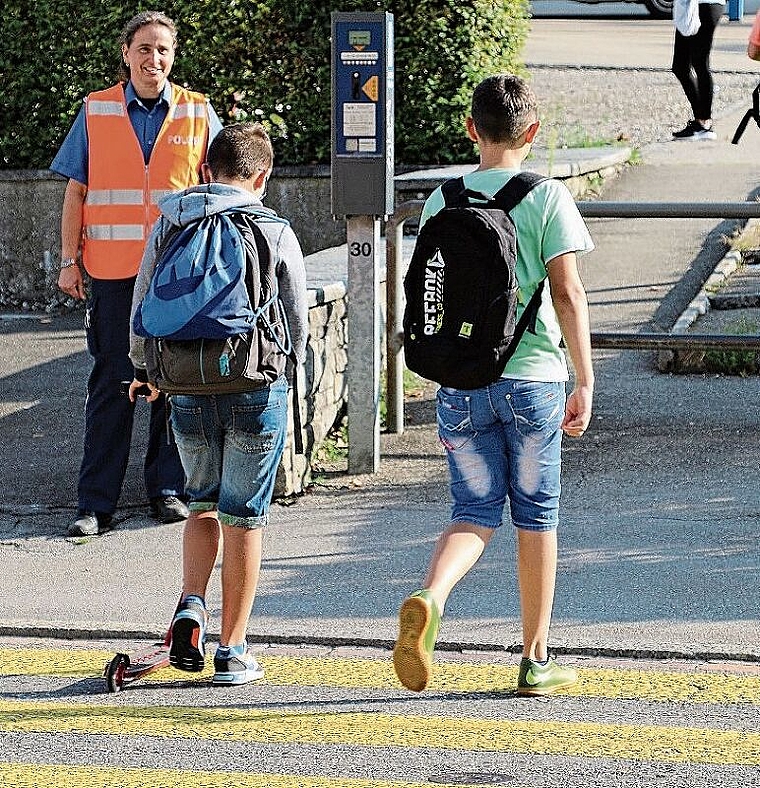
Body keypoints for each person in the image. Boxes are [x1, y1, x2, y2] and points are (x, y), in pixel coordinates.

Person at [392, 74, 595, 696]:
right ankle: (535, 659)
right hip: (532, 383)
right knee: (537, 514)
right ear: (531, 133)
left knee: (474, 510)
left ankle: (432, 596)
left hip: (461, 384)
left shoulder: (440, 201)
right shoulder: (547, 197)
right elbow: (566, 292)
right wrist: (584, 379)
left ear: (471, 130)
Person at [129, 122, 309, 686]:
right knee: (245, 518)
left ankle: (190, 606)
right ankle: (232, 650)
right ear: (263, 176)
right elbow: (297, 314)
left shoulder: (173, 221)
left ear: (206, 171)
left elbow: (142, 302)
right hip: (254, 386)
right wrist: (290, 374)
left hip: (185, 386)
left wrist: (145, 371)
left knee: (201, 505)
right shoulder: (272, 228)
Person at [51, 11, 224, 536]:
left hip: (178, 275)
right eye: (144, 49)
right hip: (110, 273)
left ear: (174, 56)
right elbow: (75, 193)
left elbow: (223, 187)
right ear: (126, 54)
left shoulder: (198, 112)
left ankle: (167, 490)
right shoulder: (96, 110)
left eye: (164, 50)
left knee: (173, 380)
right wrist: (68, 260)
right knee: (112, 381)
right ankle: (95, 502)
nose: (155, 60)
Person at [671, 0, 725, 140]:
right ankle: (700, 121)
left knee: (700, 62)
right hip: (690, 6)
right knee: (680, 66)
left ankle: (704, 122)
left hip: (705, 5)